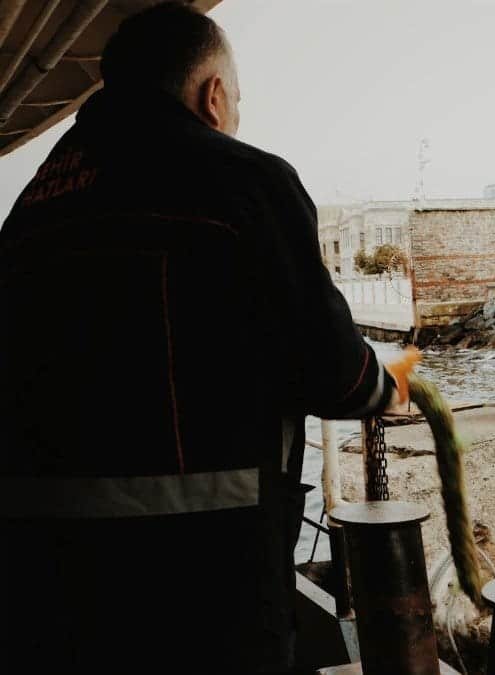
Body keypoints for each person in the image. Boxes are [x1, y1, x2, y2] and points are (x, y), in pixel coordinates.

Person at [0, 4, 404, 672]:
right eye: (237, 99)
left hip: (36, 582)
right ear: (212, 95)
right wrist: (386, 387)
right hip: (199, 580)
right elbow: (331, 368)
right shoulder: (245, 180)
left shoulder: (30, 208)